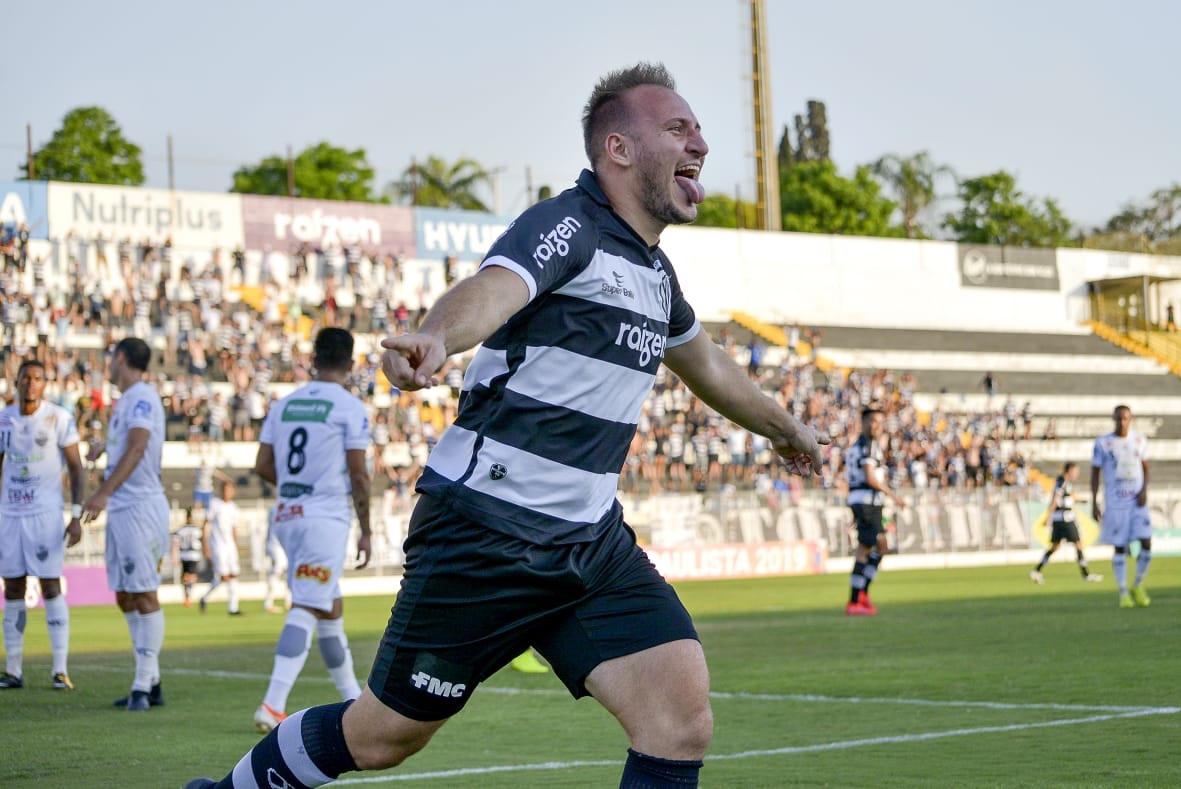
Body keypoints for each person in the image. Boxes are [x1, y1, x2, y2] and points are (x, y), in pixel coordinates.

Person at [186, 61, 826, 789]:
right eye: (677, 128)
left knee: (679, 721)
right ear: (617, 148)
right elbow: (493, 290)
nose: (700, 142)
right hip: (487, 532)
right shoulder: (569, 225)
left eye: (697, 129)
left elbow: (710, 369)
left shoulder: (655, 274)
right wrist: (435, 337)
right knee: (381, 736)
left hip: (589, 545)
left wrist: (786, 429)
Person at [250, 327, 371, 734]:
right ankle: (273, 704)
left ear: (313, 358)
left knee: (328, 608)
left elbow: (263, 465)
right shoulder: (350, 409)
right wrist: (366, 529)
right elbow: (359, 474)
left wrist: (296, 487)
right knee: (306, 605)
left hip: (288, 516)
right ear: (351, 364)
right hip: (325, 519)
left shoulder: (283, 405)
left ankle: (353, 698)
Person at [82, 337, 170, 712]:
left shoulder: (141, 397)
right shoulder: (127, 401)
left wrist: (101, 492)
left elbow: (137, 448)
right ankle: (150, 681)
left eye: (110, 359)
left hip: (140, 509)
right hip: (124, 508)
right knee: (125, 594)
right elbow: (127, 446)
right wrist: (104, 448)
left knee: (144, 592)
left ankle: (142, 685)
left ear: (120, 358)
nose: (108, 365)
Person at [0, 359, 86, 691]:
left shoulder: (58, 418)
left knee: (51, 585)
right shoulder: (4, 419)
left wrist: (76, 514)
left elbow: (77, 469)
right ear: (17, 382)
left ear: (45, 384)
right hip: (10, 514)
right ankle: (13, 669)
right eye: (25, 378)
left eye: (37, 378)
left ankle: (60, 670)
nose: (30, 384)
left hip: (45, 515)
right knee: (13, 589)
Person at [844, 407, 905, 616]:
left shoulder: (858, 446)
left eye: (880, 422)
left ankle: (860, 595)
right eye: (873, 422)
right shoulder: (868, 446)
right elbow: (870, 478)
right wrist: (893, 495)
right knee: (877, 546)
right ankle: (857, 597)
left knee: (872, 547)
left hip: (861, 501)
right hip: (867, 501)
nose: (876, 426)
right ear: (864, 423)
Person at [1091, 404, 1153, 608]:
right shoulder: (1103, 443)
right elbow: (1095, 473)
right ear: (1114, 419)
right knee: (1120, 546)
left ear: (1131, 419)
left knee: (1146, 542)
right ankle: (1123, 592)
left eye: (1125, 418)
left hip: (1137, 501)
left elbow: (1145, 467)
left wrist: (1144, 491)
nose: (1122, 422)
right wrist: (1094, 501)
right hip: (1116, 503)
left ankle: (1138, 584)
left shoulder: (1139, 440)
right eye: (1119, 418)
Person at [1029, 462, 1103, 584]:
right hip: (1065, 518)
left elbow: (1065, 498)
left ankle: (1037, 570)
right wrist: (1049, 516)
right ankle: (1086, 574)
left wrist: (1080, 500)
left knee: (1055, 547)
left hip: (1060, 518)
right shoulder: (1062, 481)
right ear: (1069, 471)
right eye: (1075, 471)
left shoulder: (1062, 482)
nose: (1076, 474)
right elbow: (1055, 499)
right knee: (1078, 544)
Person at [199, 479, 244, 616]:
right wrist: (205, 544)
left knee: (234, 575)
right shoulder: (214, 504)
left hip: (230, 546)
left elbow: (234, 528)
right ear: (221, 490)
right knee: (224, 576)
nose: (227, 492)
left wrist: (236, 546)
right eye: (225, 489)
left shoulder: (233, 507)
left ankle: (233, 608)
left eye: (230, 490)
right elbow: (206, 524)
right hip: (218, 545)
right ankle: (205, 597)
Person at [173, 507, 205, 608]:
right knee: (192, 576)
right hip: (193, 555)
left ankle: (187, 595)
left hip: (184, 555)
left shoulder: (181, 530)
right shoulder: (197, 529)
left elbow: (175, 543)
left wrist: (175, 556)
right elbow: (202, 541)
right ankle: (188, 595)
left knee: (186, 576)